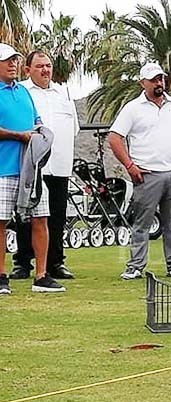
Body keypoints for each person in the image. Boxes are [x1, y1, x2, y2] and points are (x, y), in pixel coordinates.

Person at [108, 62, 171, 280]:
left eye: (161, 79)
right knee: (142, 223)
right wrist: (129, 165)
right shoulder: (133, 108)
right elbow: (115, 137)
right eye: (154, 80)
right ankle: (135, 266)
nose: (159, 83)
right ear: (143, 83)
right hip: (146, 174)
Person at [0, 43, 65, 294]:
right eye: (7, 61)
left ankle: (41, 275)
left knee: (41, 219)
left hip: (31, 169)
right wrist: (20, 136)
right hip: (3, 169)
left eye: (15, 60)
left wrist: (40, 133)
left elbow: (36, 121)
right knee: (1, 222)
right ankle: (1, 277)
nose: (13, 64)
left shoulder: (25, 93)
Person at [11, 50, 79, 281]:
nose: (45, 70)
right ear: (28, 69)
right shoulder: (20, 92)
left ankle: (55, 262)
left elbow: (74, 128)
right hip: (32, 164)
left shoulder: (63, 93)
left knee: (57, 215)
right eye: (40, 66)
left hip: (59, 164)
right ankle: (22, 262)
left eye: (48, 65)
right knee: (26, 214)